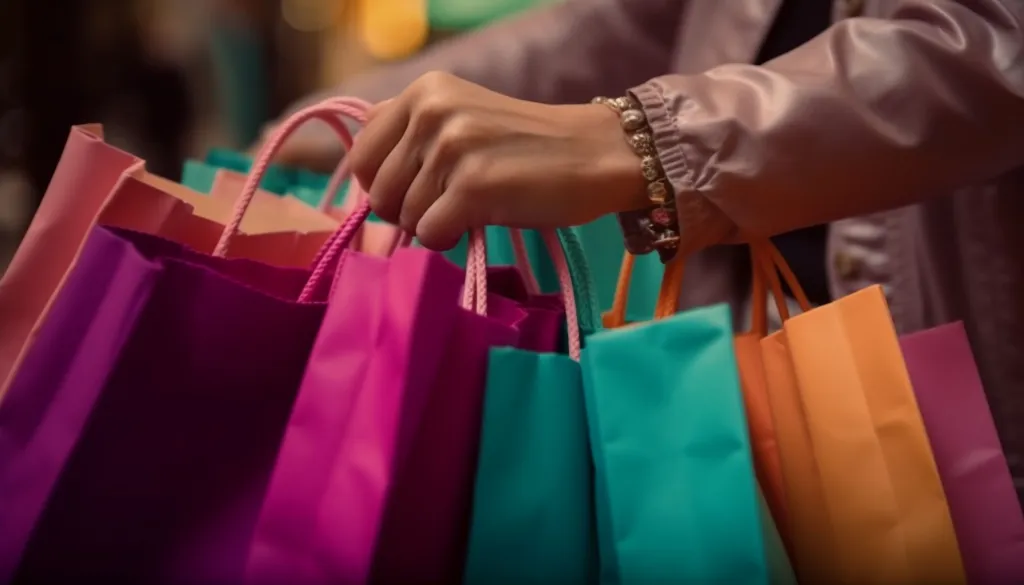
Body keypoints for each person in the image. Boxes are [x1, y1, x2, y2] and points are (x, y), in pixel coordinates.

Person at [260, 0, 1024, 503]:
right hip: (758, 394)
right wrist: (390, 109)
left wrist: (645, 140)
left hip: (985, 418)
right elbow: (632, 25)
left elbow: (996, 45)